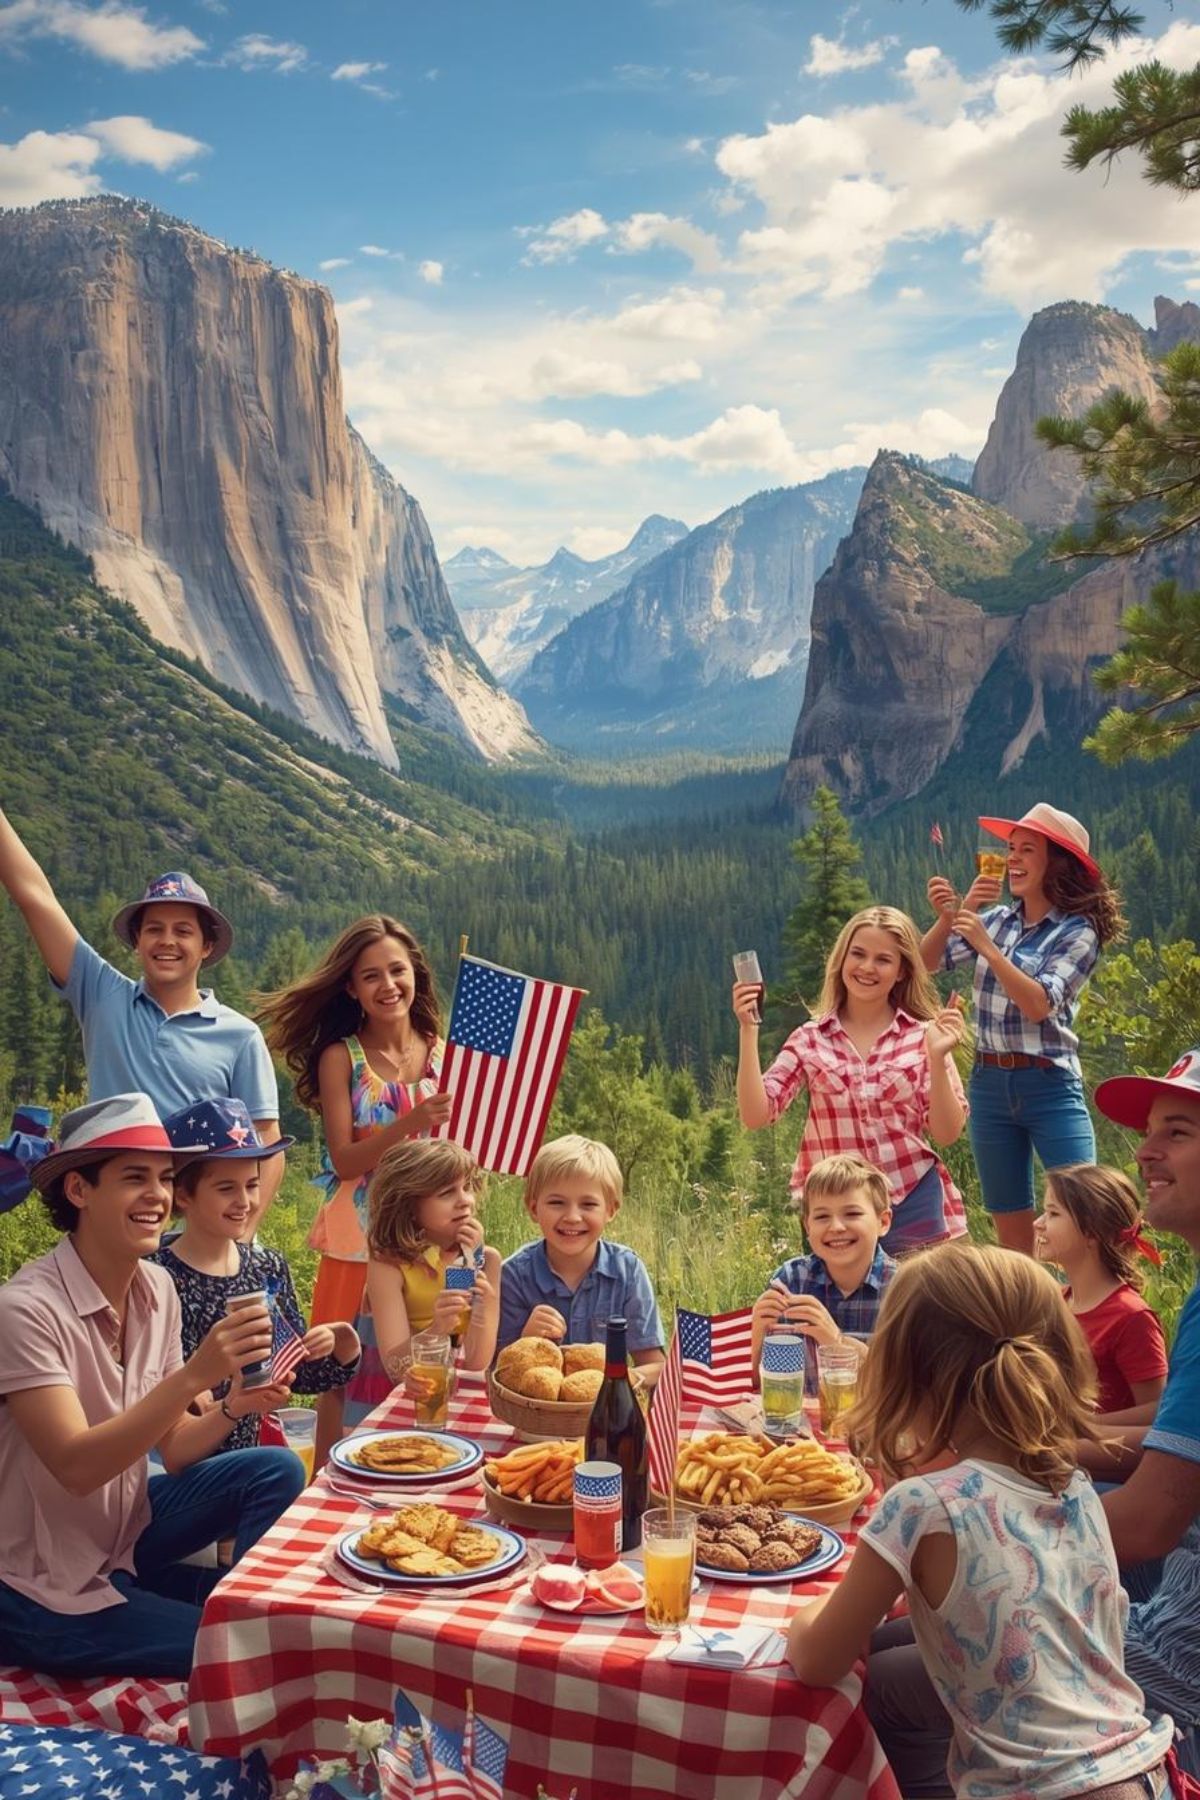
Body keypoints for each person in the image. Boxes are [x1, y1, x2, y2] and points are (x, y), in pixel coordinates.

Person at [788, 1240, 1174, 1800]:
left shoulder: (922, 1506)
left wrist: (805, 1613)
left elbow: (817, 1659)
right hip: (1140, 1772)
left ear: (907, 1374)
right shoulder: (1077, 1488)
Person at [0, 1094, 305, 1680]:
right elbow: (76, 1465)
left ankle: (229, 1608)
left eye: (165, 1179)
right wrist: (196, 1374)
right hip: (39, 1583)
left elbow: (178, 1446)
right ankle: (215, 1623)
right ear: (79, 1190)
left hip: (124, 1534)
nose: (159, 1197)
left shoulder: (156, 1289)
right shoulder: (25, 1309)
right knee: (236, 1653)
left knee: (277, 1469)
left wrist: (233, 1405)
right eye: (135, 1178)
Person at [0, 812, 283, 1209]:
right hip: (109, 1218)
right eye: (154, 928)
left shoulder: (239, 1035)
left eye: (183, 930)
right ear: (137, 940)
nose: (167, 941)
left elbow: (267, 1143)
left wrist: (242, 1237)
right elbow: (34, 895)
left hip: (198, 1232)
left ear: (206, 946)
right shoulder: (100, 993)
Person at [257, 915, 453, 1458]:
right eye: (371, 976)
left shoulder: (444, 1052)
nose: (388, 985)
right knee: (337, 1371)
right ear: (351, 987)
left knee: (425, 1354)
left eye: (397, 970)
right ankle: (323, 1483)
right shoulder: (341, 1056)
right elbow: (344, 1161)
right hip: (355, 1234)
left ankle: (420, 1465)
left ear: (415, 972)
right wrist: (408, 1126)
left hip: (426, 1235)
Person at [921, 802, 1124, 1256]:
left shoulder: (1079, 931)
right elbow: (924, 964)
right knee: (1012, 1240)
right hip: (989, 1087)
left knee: (1083, 1220)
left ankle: (1090, 1320)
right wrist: (952, 915)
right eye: (1009, 848)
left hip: (1050, 1084)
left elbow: (1039, 1003)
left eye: (1026, 849)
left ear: (1057, 862)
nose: (1011, 858)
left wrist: (989, 949)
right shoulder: (993, 919)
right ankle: (1027, 1323)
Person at [736, 905, 969, 1255]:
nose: (866, 967)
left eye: (883, 960)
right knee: (841, 1311)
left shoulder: (925, 1036)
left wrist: (937, 1058)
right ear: (842, 959)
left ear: (902, 971)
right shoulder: (810, 1038)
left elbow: (947, 1133)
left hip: (911, 1199)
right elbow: (756, 1115)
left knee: (918, 1309)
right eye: (858, 954)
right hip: (834, 1212)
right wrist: (748, 1029)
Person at [1091, 1049, 1200, 1749]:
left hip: (1181, 1659)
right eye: (1149, 1132)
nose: (1144, 1152)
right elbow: (1171, 1447)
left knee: (887, 1678)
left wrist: (955, 1528)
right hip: (1178, 1581)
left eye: (1178, 1133)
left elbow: (1147, 1522)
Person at [148, 1099, 361, 1453]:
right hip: (175, 1458)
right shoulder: (158, 1273)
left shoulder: (267, 1266)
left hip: (249, 1453)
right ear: (182, 1194)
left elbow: (295, 1373)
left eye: (251, 1185)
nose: (245, 1201)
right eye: (226, 1188)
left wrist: (341, 1342)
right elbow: (158, 1388)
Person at [344, 1138, 500, 1427]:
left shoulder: (485, 1260)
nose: (464, 1200)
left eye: (466, 1187)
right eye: (446, 1193)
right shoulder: (388, 1263)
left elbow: (476, 1360)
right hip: (391, 1388)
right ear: (410, 1205)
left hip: (452, 1385)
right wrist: (438, 1329)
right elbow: (395, 1369)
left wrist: (483, 1300)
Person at [496, 1134, 666, 1377]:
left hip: (608, 1409)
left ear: (611, 1210)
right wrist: (526, 1340)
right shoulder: (513, 1275)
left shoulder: (628, 1270)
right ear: (534, 1208)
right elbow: (498, 1372)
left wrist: (613, 1381)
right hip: (535, 1411)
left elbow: (656, 1365)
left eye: (588, 1204)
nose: (573, 1217)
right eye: (557, 1202)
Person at [1034, 1162, 1168, 1419]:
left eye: (1053, 1214)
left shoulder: (1131, 1317)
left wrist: (1082, 1428)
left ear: (1092, 1233)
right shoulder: (1057, 1301)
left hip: (1094, 1454)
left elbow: (1158, 1412)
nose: (1038, 1224)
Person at [750, 1153, 897, 1384]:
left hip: (878, 1418)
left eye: (852, 1214)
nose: (836, 1226)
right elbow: (764, 1385)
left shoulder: (903, 1289)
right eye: (822, 1216)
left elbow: (905, 1386)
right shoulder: (791, 1281)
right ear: (807, 1226)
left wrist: (836, 1341)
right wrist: (758, 1333)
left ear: (883, 1222)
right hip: (801, 1417)